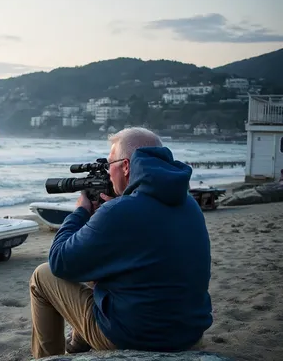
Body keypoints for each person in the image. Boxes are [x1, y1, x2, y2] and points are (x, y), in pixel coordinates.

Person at [29, 127, 213, 358]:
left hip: (133, 337)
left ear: (126, 166)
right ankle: (77, 345)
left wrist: (80, 212)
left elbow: (59, 261)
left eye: (110, 164)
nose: (108, 173)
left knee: (42, 276)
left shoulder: (119, 211)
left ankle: (49, 358)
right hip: (189, 333)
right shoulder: (189, 205)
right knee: (104, 269)